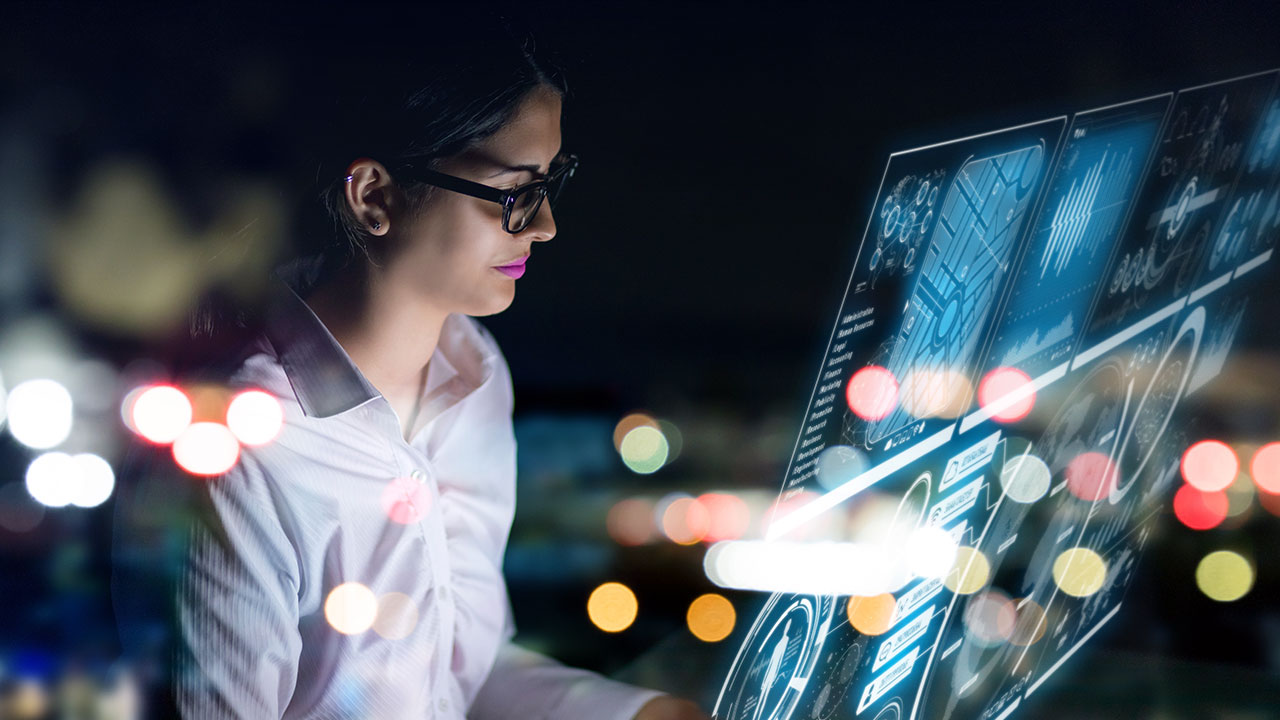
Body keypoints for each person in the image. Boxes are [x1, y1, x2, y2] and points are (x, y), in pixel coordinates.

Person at [112, 15, 708, 720]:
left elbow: (456, 671)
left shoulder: (476, 377)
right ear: (374, 195)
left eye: (552, 182)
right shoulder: (248, 442)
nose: (545, 224)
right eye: (515, 192)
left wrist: (639, 713)